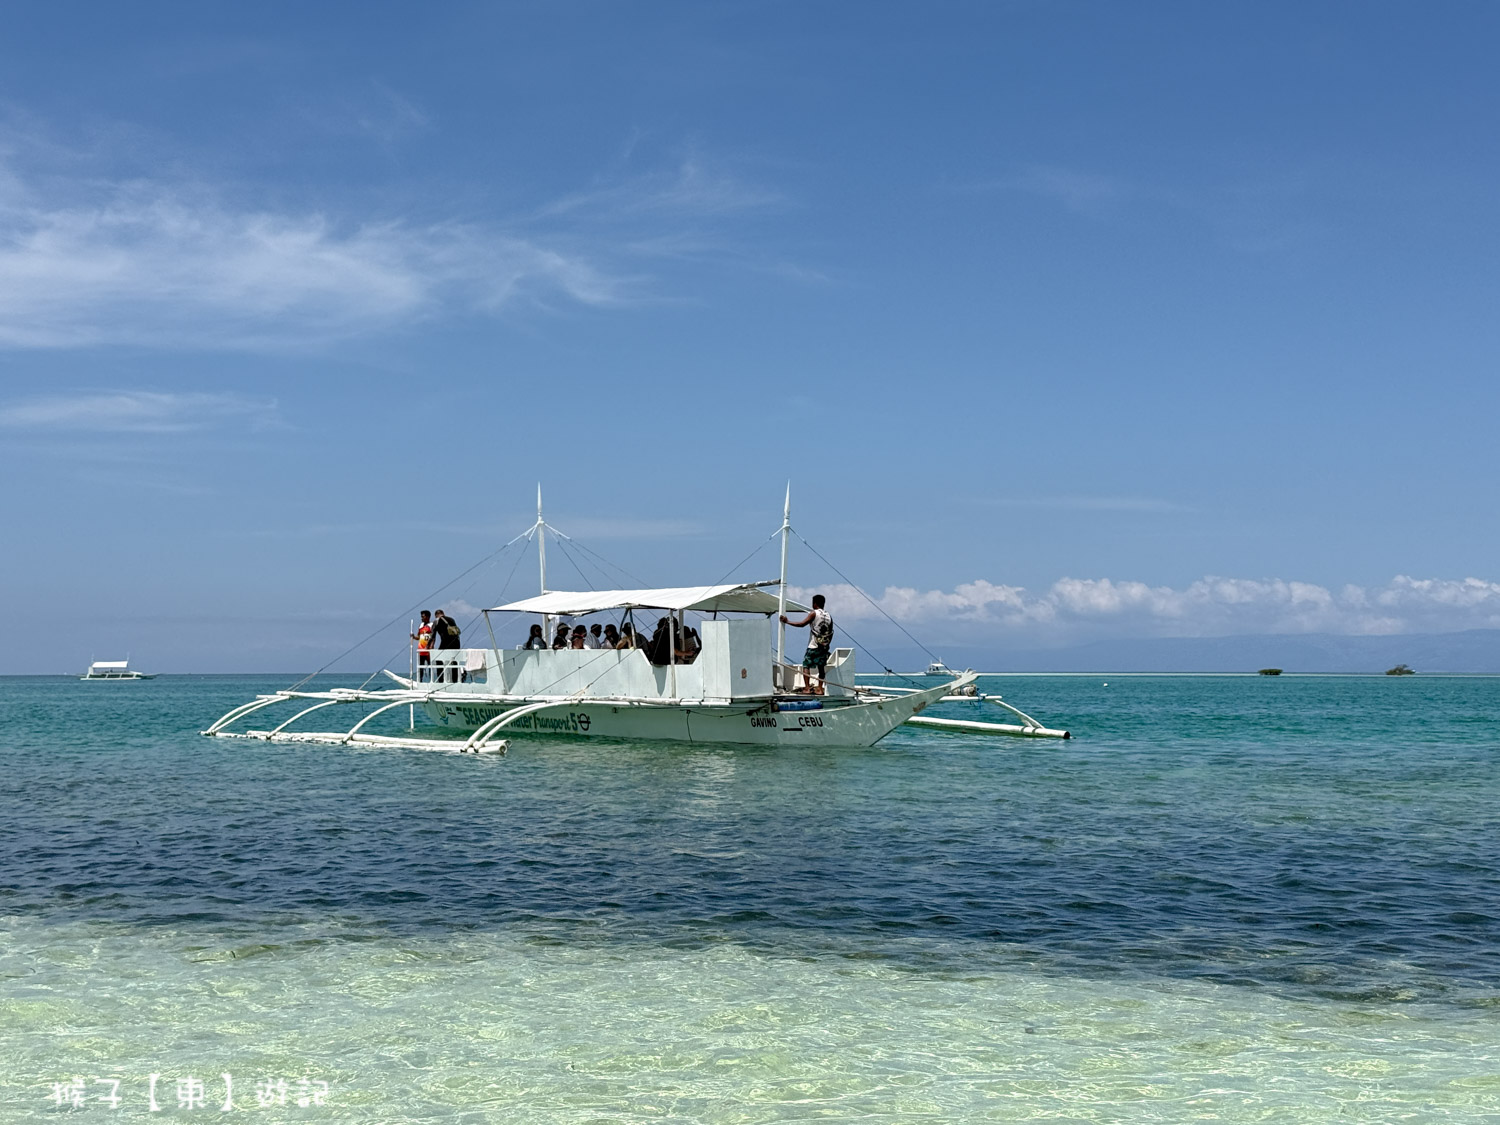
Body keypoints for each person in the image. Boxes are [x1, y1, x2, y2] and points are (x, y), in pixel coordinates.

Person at [781, 594, 833, 694]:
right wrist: (827, 644)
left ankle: (807, 688)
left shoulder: (814, 613)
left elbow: (801, 624)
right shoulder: (829, 616)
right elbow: (831, 632)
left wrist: (787, 621)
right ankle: (820, 689)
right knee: (821, 667)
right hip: (824, 646)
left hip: (813, 645)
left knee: (806, 665)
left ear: (815, 603)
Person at [433, 609, 462, 682]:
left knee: (439, 660)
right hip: (456, 643)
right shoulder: (451, 619)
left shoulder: (437, 621)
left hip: (446, 642)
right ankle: (455, 680)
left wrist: (429, 646)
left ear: (436, 615)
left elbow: (433, 636)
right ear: (443, 613)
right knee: (454, 661)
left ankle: (441, 680)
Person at [411, 610, 434, 681]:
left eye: (423, 616)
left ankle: (432, 680)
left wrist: (431, 645)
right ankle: (420, 680)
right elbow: (418, 637)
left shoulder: (432, 625)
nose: (422, 618)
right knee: (421, 666)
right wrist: (414, 637)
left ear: (427, 617)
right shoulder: (421, 625)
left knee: (430, 665)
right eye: (421, 617)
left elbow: (433, 636)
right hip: (421, 649)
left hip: (428, 649)